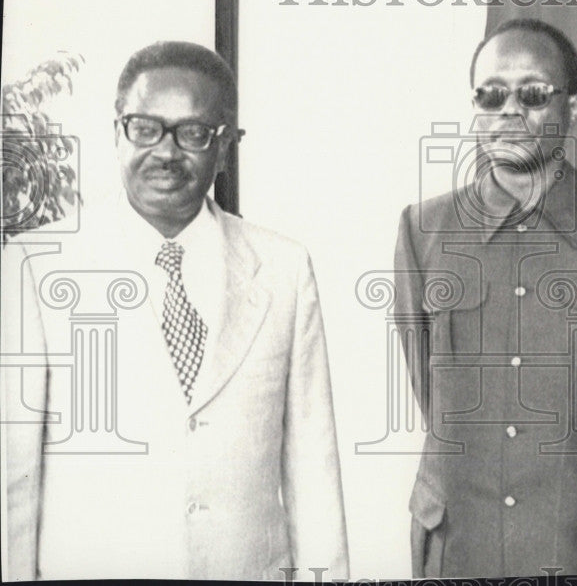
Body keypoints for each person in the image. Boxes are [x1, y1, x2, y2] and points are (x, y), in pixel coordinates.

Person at [1, 41, 348, 580]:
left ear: (225, 145)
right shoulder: (37, 266)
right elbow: (13, 475)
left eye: (193, 133)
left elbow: (313, 465)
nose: (166, 152)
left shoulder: (283, 266)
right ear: (117, 132)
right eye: (144, 127)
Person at [393, 18, 577, 576]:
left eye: (532, 94)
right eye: (491, 94)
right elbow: (429, 387)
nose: (509, 110)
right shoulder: (424, 230)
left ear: (572, 109)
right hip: (460, 544)